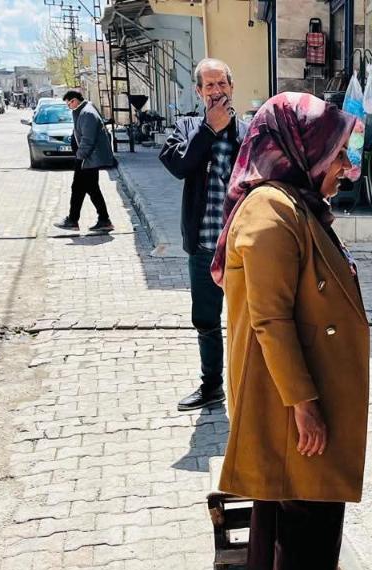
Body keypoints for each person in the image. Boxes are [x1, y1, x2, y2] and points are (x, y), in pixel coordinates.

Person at [215, 92, 367, 570]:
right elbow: (271, 319)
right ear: (300, 149)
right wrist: (304, 403)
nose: (344, 167)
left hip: (290, 386)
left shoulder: (291, 203)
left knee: (282, 498)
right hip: (289, 392)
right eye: (336, 153)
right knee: (310, 508)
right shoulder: (271, 211)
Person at [159, 59, 249, 411]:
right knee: (207, 320)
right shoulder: (186, 128)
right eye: (208, 86)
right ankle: (212, 387)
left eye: (221, 84)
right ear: (198, 91)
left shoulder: (248, 133)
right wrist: (208, 130)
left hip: (243, 249)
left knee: (255, 319)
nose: (216, 91)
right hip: (204, 246)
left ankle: (253, 386)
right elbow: (178, 165)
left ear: (231, 86)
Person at [54, 90, 115, 232]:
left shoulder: (87, 113)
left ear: (74, 100)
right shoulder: (83, 111)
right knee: (80, 189)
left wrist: (80, 156)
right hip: (86, 158)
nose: (69, 107)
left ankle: (102, 220)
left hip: (88, 159)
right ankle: (74, 220)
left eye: (69, 104)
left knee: (89, 189)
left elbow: (88, 139)